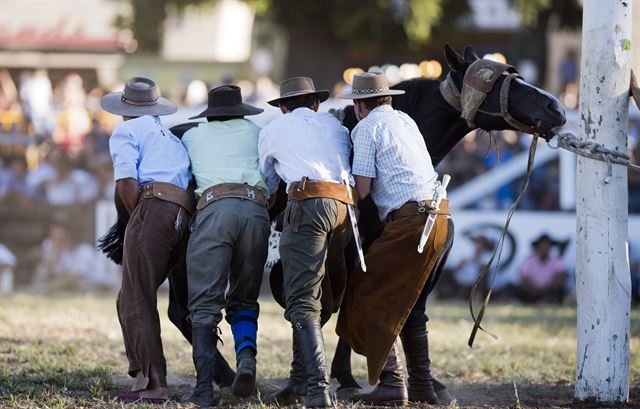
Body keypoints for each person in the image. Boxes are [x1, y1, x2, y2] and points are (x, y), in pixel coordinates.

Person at [336, 73, 455, 405]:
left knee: (364, 289)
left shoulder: (365, 128)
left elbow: (362, 191)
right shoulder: (406, 120)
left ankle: (392, 382)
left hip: (412, 223)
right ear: (388, 98)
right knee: (413, 307)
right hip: (443, 217)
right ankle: (422, 387)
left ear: (359, 106)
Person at [259, 77, 354, 408]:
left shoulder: (275, 129)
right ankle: (300, 381)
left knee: (301, 299)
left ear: (283, 107)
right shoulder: (333, 125)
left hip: (308, 202)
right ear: (315, 103)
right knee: (316, 297)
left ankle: (317, 388)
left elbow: (270, 182)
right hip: (345, 206)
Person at [101, 77, 194, 404]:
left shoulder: (126, 132)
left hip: (153, 208)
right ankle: (141, 373)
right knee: (128, 296)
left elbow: (126, 182)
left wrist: (136, 217)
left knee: (137, 295)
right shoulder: (167, 136)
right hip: (183, 214)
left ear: (125, 109)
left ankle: (155, 383)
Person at [180, 85, 270, 405]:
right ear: (242, 109)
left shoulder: (192, 137)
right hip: (256, 208)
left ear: (210, 113)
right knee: (244, 298)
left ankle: (204, 388)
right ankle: (246, 359)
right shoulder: (259, 133)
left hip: (215, 208)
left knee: (204, 305)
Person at [512, 233, 569, 304]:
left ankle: (545, 301)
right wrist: (533, 289)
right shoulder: (529, 261)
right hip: (532, 292)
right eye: (542, 245)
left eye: (547, 246)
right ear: (537, 247)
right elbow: (523, 278)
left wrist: (548, 288)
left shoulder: (555, 261)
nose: (544, 248)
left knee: (560, 291)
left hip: (549, 291)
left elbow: (563, 275)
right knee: (512, 288)